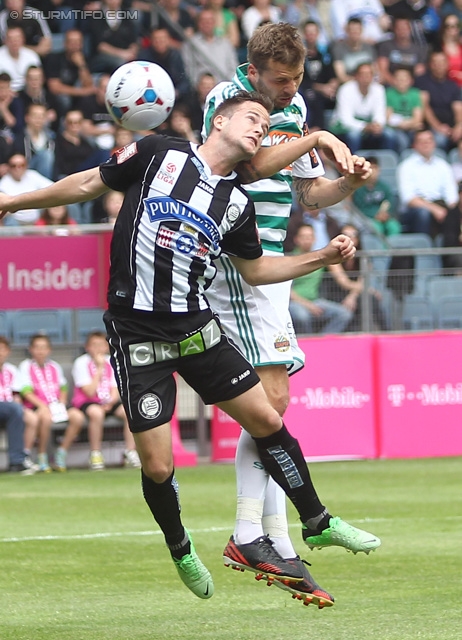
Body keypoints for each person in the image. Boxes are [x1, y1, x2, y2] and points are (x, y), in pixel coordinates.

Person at [0, 91, 380, 603]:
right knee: (158, 467)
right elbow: (89, 182)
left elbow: (257, 269)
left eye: (265, 124)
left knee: (268, 419)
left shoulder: (238, 204)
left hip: (197, 331)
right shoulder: (159, 150)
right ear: (218, 120)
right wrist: (10, 200)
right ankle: (180, 547)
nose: (259, 128)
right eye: (252, 118)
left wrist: (323, 256)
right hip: (137, 338)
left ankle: (317, 520)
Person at [202, 25, 380, 606]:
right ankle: (250, 533)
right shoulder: (226, 103)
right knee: (270, 401)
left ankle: (271, 536)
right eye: (281, 80)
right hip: (239, 255)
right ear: (253, 71)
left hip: (276, 262)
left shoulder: (295, 105)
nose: (290, 89)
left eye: (298, 78)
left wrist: (345, 184)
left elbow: (309, 197)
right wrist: (317, 139)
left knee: (271, 407)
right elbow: (248, 169)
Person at [55, 331, 141, 471]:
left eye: (101, 345)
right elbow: (88, 391)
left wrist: (111, 402)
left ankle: (130, 451)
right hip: (87, 402)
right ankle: (95, 453)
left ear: (107, 347)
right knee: (97, 413)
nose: (98, 349)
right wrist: (100, 368)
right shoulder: (81, 362)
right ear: (87, 347)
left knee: (129, 411)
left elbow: (115, 388)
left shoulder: (112, 361)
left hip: (108, 402)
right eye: (94, 345)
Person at [18, 333, 85, 473]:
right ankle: (42, 456)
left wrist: (62, 401)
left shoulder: (55, 366)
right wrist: (43, 406)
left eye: (44, 347)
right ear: (31, 349)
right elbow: (26, 391)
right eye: (37, 347)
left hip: (56, 405)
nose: (40, 351)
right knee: (45, 417)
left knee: (77, 417)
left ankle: (61, 453)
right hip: (37, 407)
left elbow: (63, 387)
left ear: (49, 350)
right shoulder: (25, 366)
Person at [289, 223, 355, 334]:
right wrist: (309, 306)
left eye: (310, 236)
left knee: (344, 313)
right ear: (297, 239)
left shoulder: (319, 258)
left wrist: (356, 290)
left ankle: (322, 340)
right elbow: (288, 292)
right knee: (302, 316)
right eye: (303, 237)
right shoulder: (290, 259)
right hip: (295, 303)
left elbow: (343, 281)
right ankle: (308, 343)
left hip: (316, 301)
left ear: (314, 239)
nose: (307, 240)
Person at [397, 128, 459, 239]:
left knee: (455, 212)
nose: (426, 144)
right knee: (423, 213)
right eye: (422, 141)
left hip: (441, 205)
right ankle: (427, 252)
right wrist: (435, 209)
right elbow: (409, 199)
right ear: (414, 145)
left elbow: (452, 196)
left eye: (429, 140)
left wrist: (450, 210)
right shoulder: (406, 166)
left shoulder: (443, 165)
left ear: (434, 143)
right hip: (416, 210)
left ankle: (451, 253)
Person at [329, 62, 398, 153]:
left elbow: (380, 113)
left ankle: (385, 163)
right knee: (354, 136)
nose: (366, 77)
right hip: (345, 127)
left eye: (369, 74)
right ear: (356, 76)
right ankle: (352, 162)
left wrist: (377, 125)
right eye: (363, 74)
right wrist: (365, 127)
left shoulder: (379, 89)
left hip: (370, 126)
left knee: (390, 135)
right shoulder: (345, 89)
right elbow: (346, 120)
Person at [0, 335, 38, 474]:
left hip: (9, 408)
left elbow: (16, 395)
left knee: (29, 416)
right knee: (15, 410)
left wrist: (20, 409)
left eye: (2, 349)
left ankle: (22, 458)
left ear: (8, 351)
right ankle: (17, 460)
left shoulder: (12, 370)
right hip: (6, 407)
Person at [415, 50, 462, 152]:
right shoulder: (422, 81)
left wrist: (459, 126)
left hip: (451, 126)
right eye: (435, 62)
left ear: (447, 64)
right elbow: (425, 107)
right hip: (430, 127)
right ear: (430, 64)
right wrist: (438, 127)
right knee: (440, 140)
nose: (438, 65)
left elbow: (458, 108)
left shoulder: (452, 85)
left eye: (442, 62)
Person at [43, 28, 96, 118]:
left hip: (76, 94)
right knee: (64, 99)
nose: (75, 45)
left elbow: (88, 85)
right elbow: (54, 87)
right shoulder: (54, 58)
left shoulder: (85, 60)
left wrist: (81, 65)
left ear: (82, 44)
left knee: (90, 99)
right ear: (65, 43)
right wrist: (82, 92)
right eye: (71, 42)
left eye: (77, 42)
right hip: (58, 97)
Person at [181, 9, 238, 86]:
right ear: (198, 23)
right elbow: (189, 69)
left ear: (214, 23)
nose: (207, 23)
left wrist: (229, 85)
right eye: (204, 21)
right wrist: (199, 85)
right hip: (202, 89)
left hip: (225, 87)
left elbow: (233, 67)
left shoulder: (226, 43)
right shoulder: (190, 44)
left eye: (210, 21)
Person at [353, 156, 402, 237]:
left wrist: (386, 214)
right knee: (376, 228)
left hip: (384, 217)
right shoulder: (359, 189)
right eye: (370, 168)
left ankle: (394, 248)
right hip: (367, 218)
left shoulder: (384, 187)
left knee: (394, 226)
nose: (373, 171)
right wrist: (375, 215)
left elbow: (389, 202)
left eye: (375, 168)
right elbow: (359, 207)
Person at [0, 153, 52, 225]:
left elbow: (52, 187)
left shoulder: (33, 175)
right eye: (14, 166)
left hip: (37, 215)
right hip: (15, 220)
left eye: (22, 165)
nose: (18, 168)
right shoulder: (3, 183)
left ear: (27, 166)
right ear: (9, 167)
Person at [376, 17, 427, 87]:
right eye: (399, 28)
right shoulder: (386, 46)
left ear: (410, 29)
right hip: (390, 85)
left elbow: (419, 72)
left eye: (405, 28)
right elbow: (383, 69)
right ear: (394, 29)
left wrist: (406, 85)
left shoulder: (418, 49)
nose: (402, 31)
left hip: (411, 86)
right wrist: (395, 83)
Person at [385, 66, 424, 154]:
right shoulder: (389, 94)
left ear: (410, 81)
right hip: (395, 128)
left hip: (411, 127)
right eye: (399, 79)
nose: (401, 81)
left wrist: (406, 124)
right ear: (394, 80)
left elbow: (418, 119)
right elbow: (388, 118)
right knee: (401, 140)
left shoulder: (415, 94)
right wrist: (403, 124)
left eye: (405, 79)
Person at [12, 103, 55, 179]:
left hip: (47, 176)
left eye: (42, 116)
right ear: (27, 118)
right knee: (46, 155)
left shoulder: (52, 138)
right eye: (35, 116)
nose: (38, 119)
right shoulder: (19, 138)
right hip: (26, 173)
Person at [331, 18, 377, 86]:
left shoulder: (368, 47)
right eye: (352, 30)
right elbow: (341, 76)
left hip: (368, 84)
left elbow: (374, 70)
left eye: (357, 30)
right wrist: (360, 81)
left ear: (361, 31)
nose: (354, 33)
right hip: (348, 85)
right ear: (347, 31)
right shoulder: (338, 48)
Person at [0, 26, 41, 92]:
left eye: (17, 39)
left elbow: (38, 79)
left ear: (23, 39)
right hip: (5, 94)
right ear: (5, 41)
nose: (14, 42)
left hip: (28, 93)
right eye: (11, 39)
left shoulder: (32, 56)